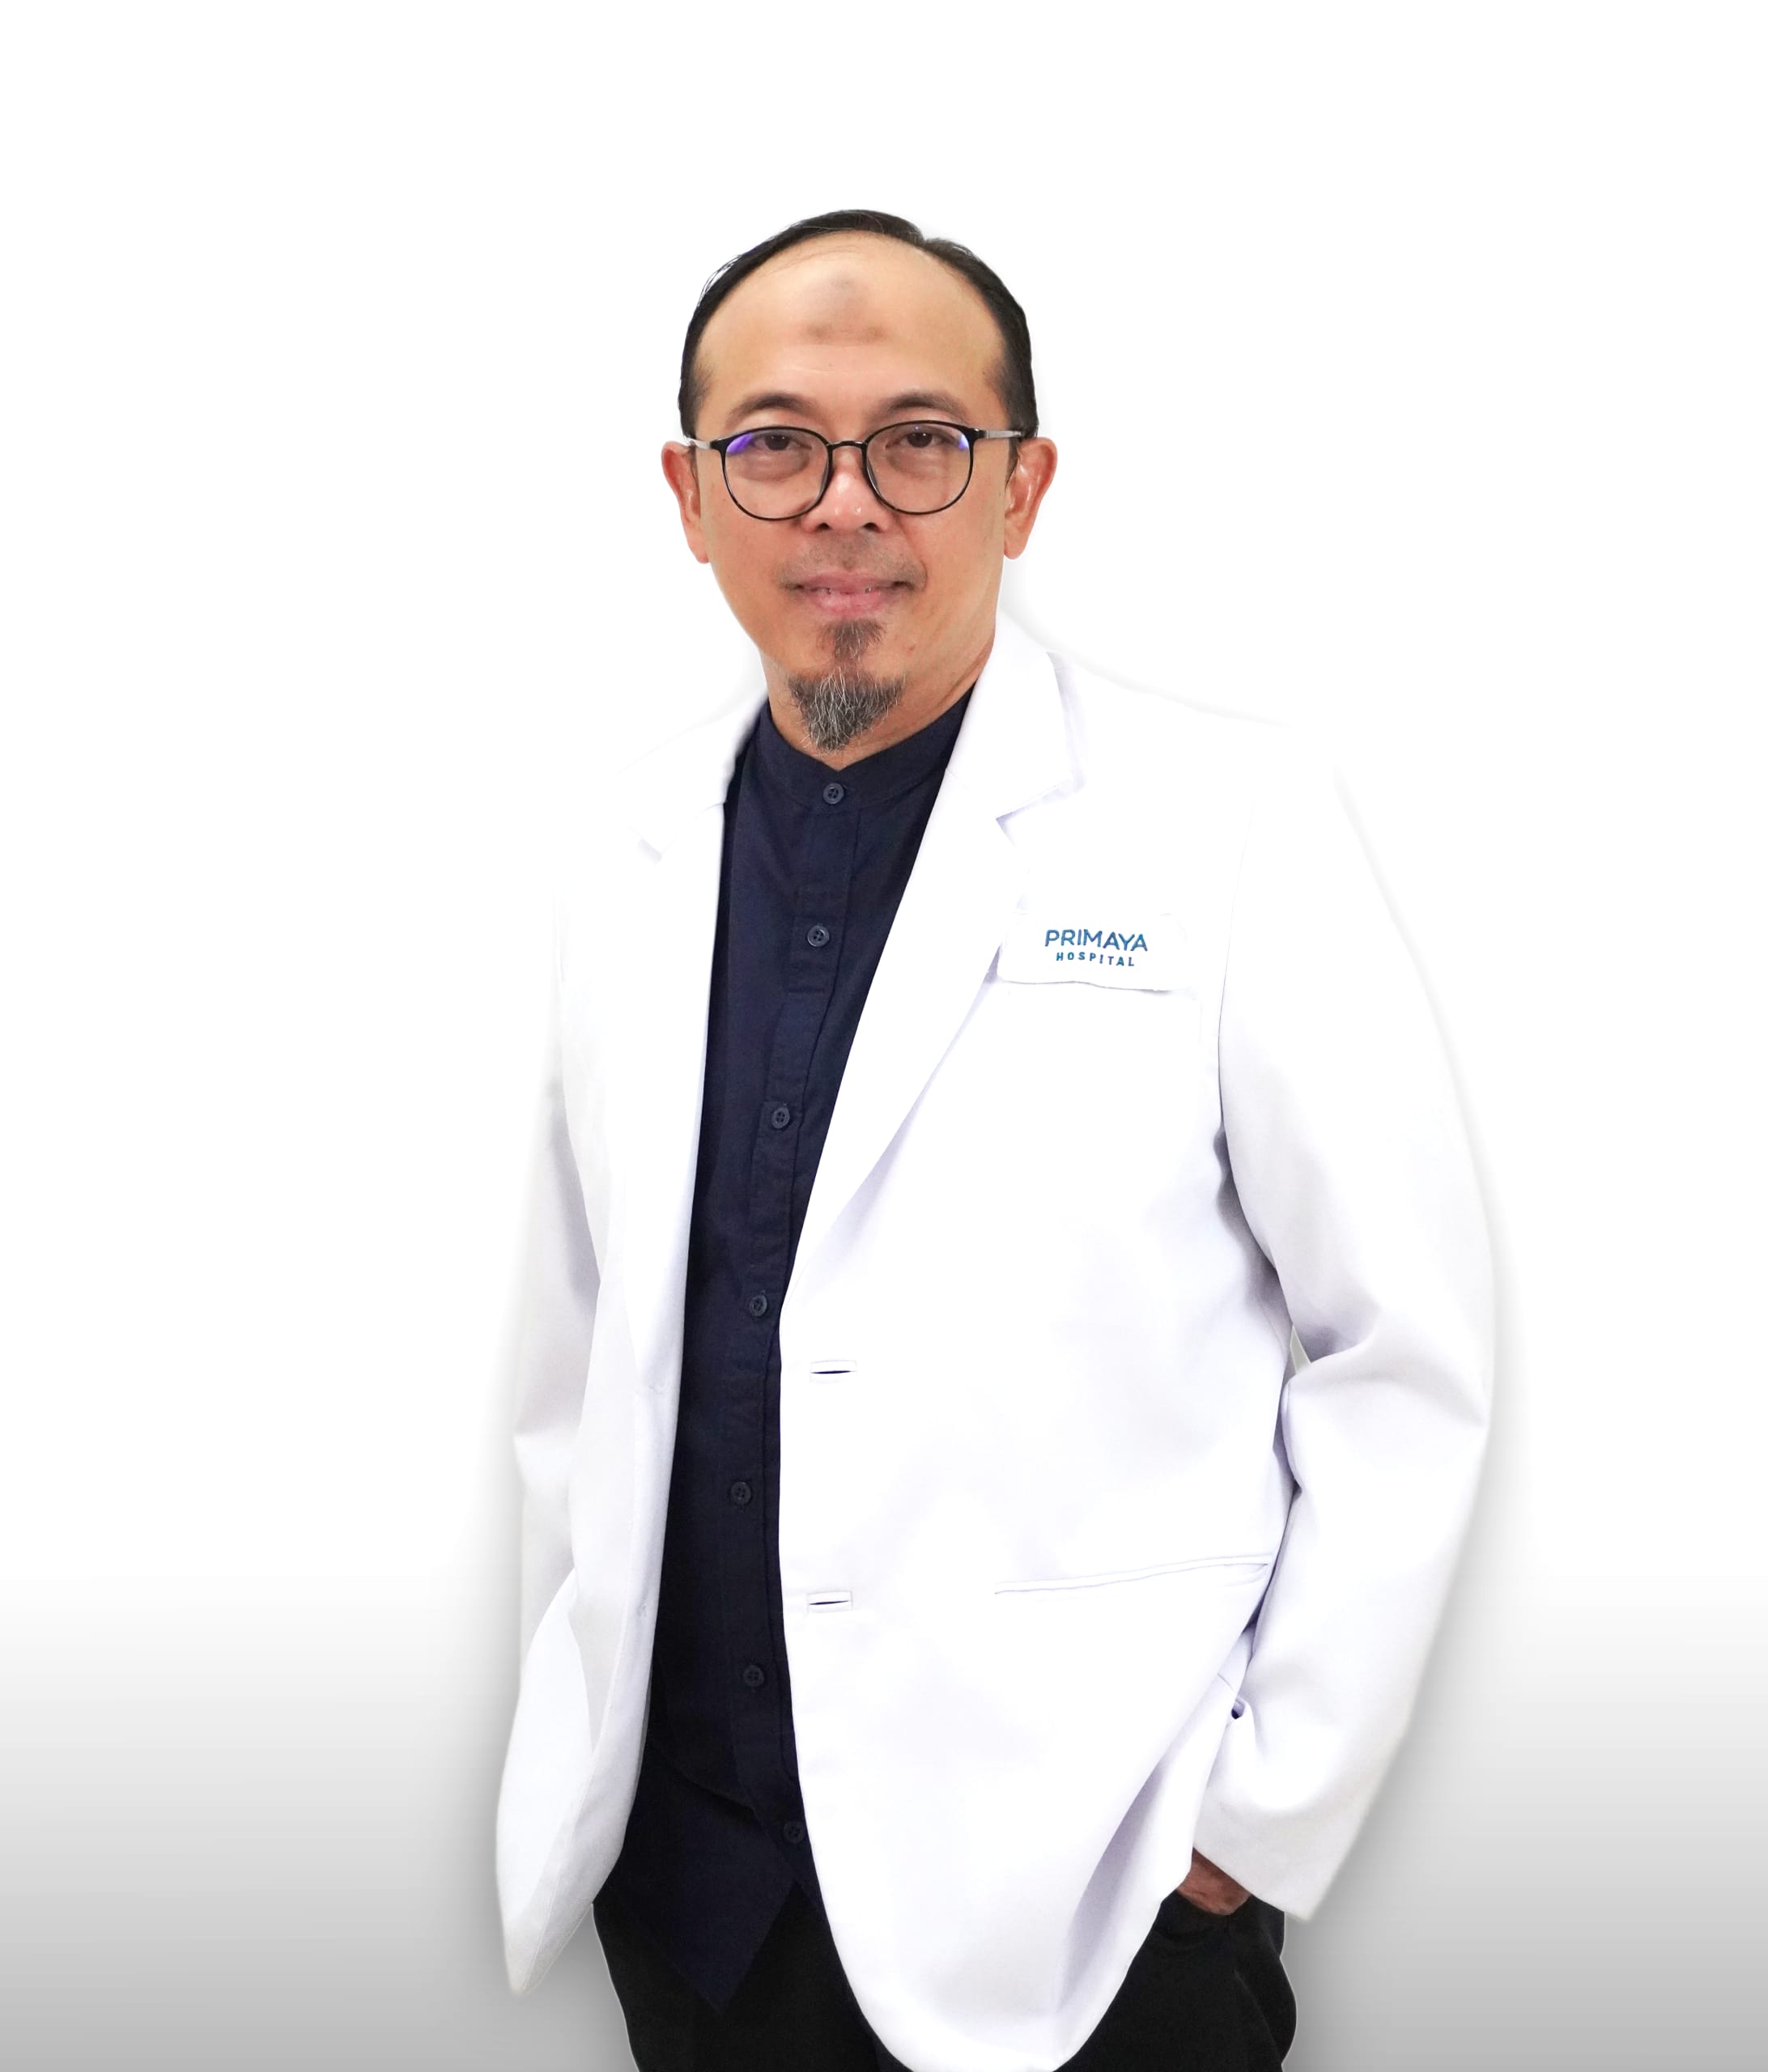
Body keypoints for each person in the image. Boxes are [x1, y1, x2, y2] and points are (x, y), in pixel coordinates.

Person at [494, 208, 1492, 2072]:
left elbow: (1401, 1353)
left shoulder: (1230, 821)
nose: (844, 502)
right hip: (696, 1904)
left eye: (920, 441)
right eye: (775, 443)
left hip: (1087, 1912)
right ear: (690, 496)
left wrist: (1249, 1827)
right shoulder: (628, 854)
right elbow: (582, 1359)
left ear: (1022, 485)